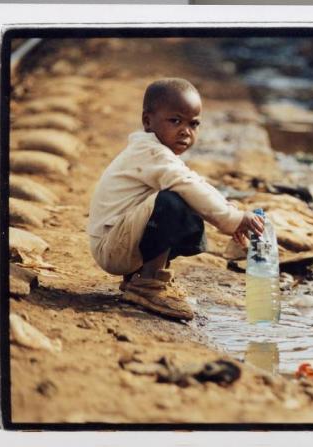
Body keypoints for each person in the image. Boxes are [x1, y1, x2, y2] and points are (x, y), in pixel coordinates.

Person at [87, 78, 264, 321]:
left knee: (188, 200)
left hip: (122, 241)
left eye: (194, 124)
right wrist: (232, 219)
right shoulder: (149, 152)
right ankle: (148, 284)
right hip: (112, 247)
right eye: (175, 121)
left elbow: (194, 182)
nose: (186, 131)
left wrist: (229, 210)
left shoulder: (159, 153)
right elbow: (187, 184)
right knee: (173, 201)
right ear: (147, 121)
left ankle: (141, 277)